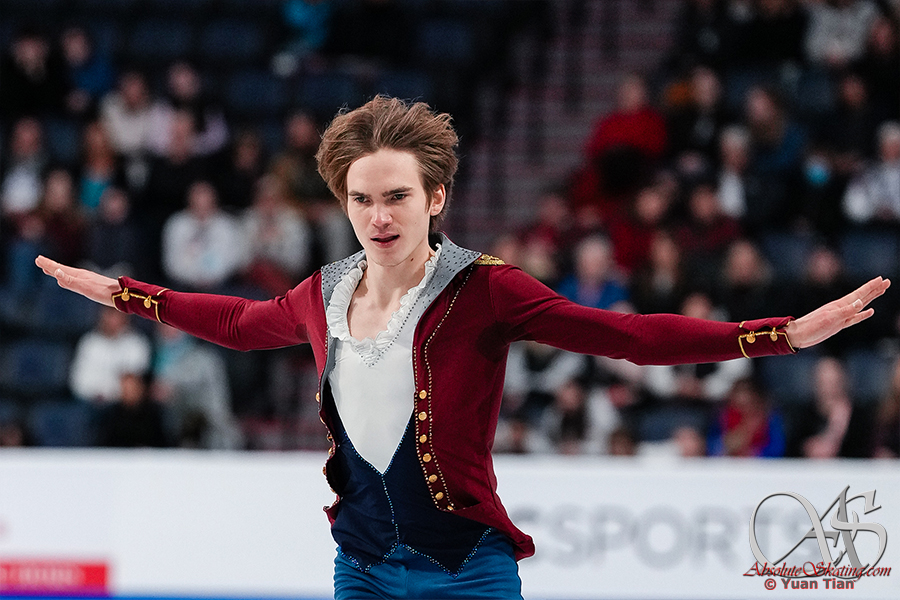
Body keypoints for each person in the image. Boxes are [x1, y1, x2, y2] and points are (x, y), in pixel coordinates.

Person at [36, 96, 889, 600]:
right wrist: (123, 293)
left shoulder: (487, 289)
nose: (379, 216)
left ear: (435, 196)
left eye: (398, 196)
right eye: (362, 199)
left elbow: (627, 337)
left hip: (467, 569)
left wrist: (780, 334)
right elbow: (236, 323)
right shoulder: (322, 293)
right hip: (363, 565)